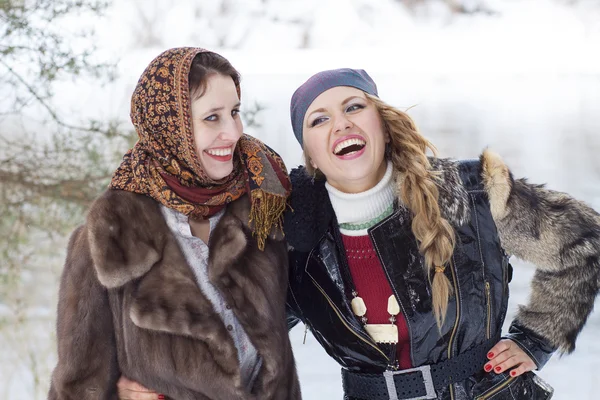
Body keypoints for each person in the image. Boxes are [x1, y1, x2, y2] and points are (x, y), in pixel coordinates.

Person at [284, 68, 600, 400]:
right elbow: (244, 334)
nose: (341, 123)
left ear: (385, 126)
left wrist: (534, 341)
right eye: (319, 120)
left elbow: (584, 241)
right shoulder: (295, 243)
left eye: (354, 107)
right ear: (311, 157)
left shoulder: (470, 192)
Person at [47, 47, 301, 400]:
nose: (232, 133)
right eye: (212, 118)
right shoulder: (112, 233)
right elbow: (79, 386)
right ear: (170, 126)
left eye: (234, 112)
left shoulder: (263, 202)